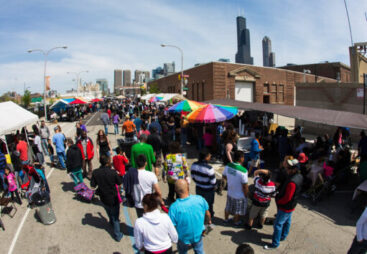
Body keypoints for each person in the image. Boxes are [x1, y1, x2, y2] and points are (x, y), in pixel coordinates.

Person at [264, 159, 303, 250]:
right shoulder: (299, 176)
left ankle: (275, 243)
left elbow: (287, 198)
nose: (286, 169)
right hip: (292, 205)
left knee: (277, 224)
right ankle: (283, 235)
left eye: (289, 168)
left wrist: (279, 201)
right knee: (287, 221)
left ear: (294, 169)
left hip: (286, 206)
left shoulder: (292, 182)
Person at [169, 179, 211, 254]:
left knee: (182, 251)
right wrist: (207, 224)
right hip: (198, 233)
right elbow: (207, 214)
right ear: (188, 187)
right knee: (199, 250)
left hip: (183, 237)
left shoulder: (173, 207)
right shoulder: (199, 199)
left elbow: (172, 226)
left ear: (176, 190)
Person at [91, 155, 123, 242]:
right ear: (108, 162)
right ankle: (117, 235)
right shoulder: (112, 172)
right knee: (116, 217)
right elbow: (120, 183)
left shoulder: (95, 172)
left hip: (103, 197)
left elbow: (92, 186)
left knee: (108, 211)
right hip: (113, 197)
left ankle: (111, 222)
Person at [222, 151, 249, 226]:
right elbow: (245, 186)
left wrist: (230, 181)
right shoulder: (243, 171)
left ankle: (226, 219)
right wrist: (246, 194)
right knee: (238, 210)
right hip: (239, 195)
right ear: (241, 158)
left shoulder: (228, 166)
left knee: (228, 206)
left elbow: (223, 176)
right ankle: (236, 222)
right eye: (243, 157)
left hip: (230, 192)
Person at [191, 148, 216, 218]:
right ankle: (209, 218)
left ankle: (201, 216)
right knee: (209, 205)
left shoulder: (194, 165)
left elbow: (193, 176)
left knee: (200, 204)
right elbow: (213, 182)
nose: (210, 157)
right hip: (208, 190)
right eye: (209, 156)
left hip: (198, 187)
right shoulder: (209, 168)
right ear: (206, 157)